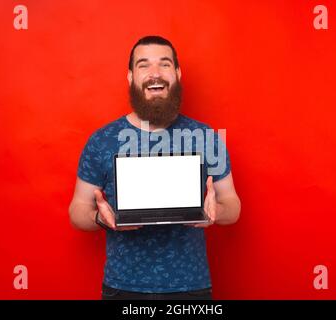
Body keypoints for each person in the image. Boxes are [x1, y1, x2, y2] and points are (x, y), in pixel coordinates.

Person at [68, 35, 241, 300]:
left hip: (190, 289)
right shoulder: (102, 140)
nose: (155, 73)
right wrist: (101, 219)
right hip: (122, 288)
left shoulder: (206, 137)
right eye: (143, 65)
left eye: (164, 64)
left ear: (177, 74)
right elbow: (77, 210)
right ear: (130, 77)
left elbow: (233, 205)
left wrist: (215, 210)